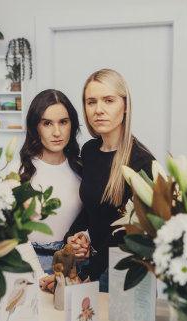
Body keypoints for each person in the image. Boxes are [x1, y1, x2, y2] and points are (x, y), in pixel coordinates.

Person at [66, 69, 155, 292]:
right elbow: (93, 207)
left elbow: (125, 233)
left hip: (125, 271)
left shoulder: (142, 163)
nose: (99, 110)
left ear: (125, 106)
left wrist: (89, 273)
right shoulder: (90, 150)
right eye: (91, 102)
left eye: (108, 100)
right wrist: (74, 235)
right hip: (94, 266)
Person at [10, 89, 88, 292]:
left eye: (63, 122)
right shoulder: (16, 171)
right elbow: (14, 234)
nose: (57, 132)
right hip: (27, 270)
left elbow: (89, 222)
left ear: (72, 124)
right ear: (35, 127)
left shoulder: (82, 170)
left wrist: (84, 242)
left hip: (72, 270)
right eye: (47, 123)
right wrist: (41, 276)